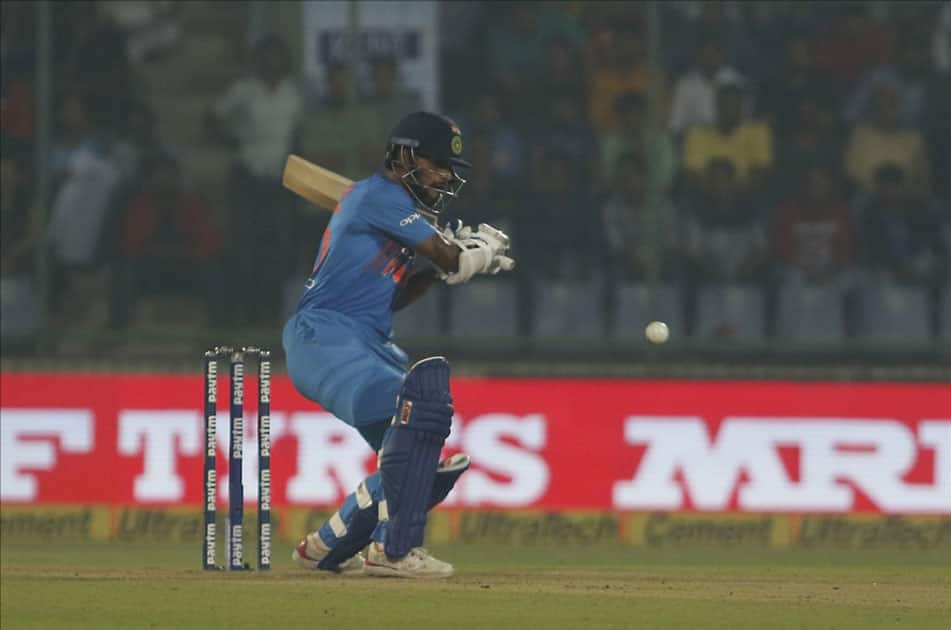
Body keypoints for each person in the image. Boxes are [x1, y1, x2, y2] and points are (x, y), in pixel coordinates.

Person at [284, 111, 515, 578]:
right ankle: (393, 552)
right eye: (438, 164)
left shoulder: (386, 210)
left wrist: (433, 270)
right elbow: (451, 256)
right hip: (326, 337)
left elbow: (396, 294)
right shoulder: (381, 195)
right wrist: (475, 254)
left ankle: (326, 547)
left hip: (359, 340)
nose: (448, 176)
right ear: (406, 156)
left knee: (416, 460)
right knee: (421, 407)